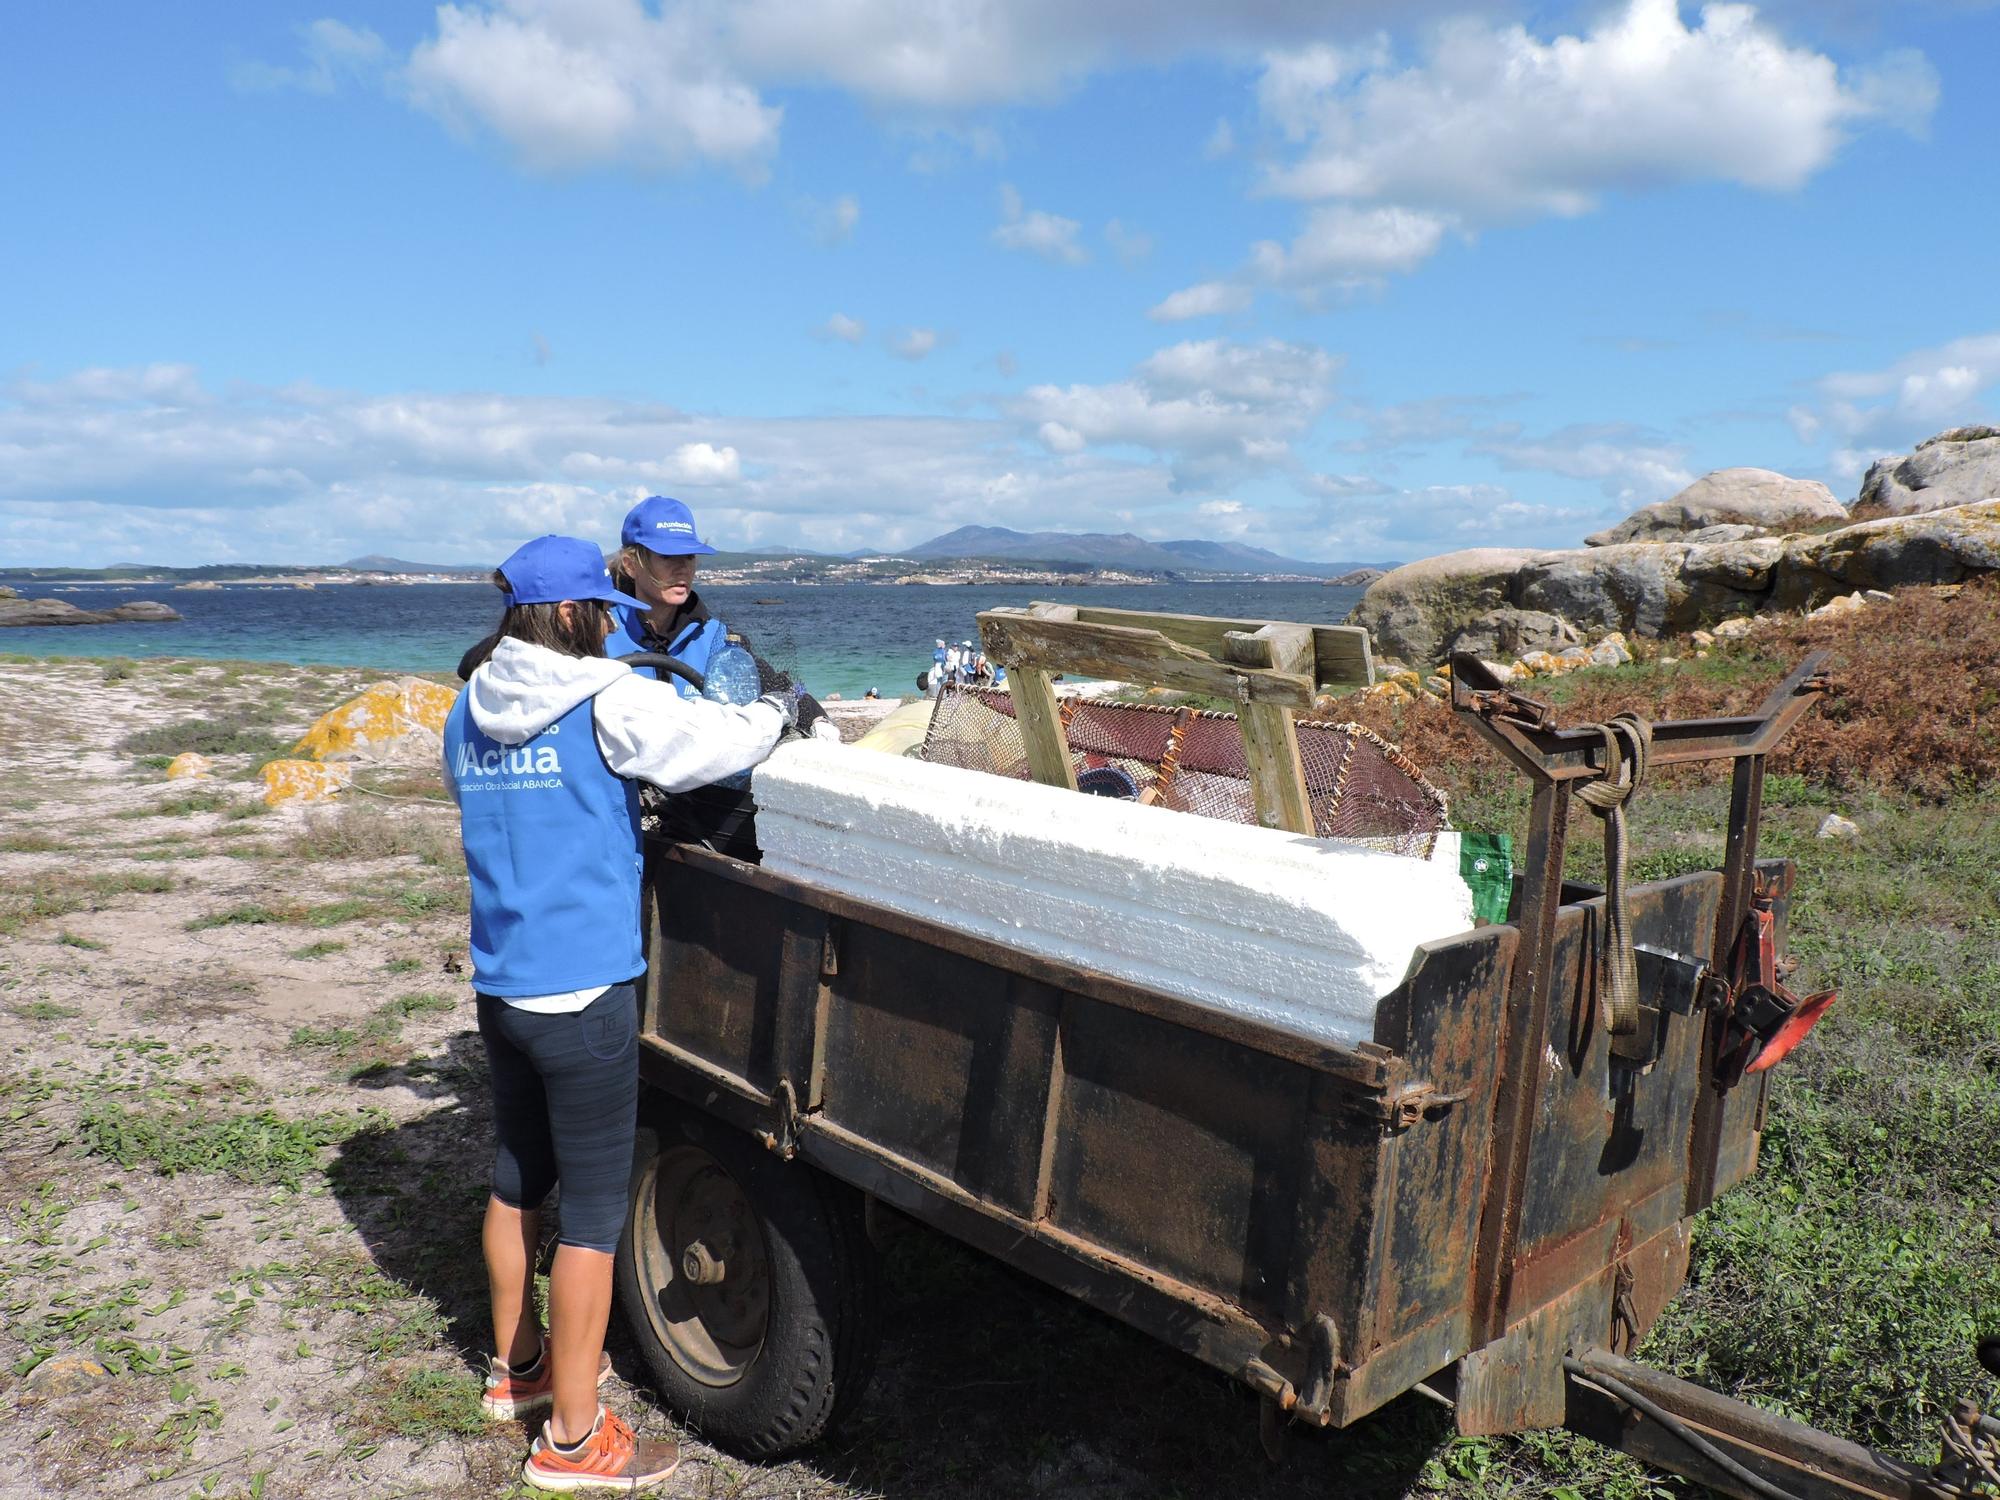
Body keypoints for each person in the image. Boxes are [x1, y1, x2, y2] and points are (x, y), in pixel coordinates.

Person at [444, 534, 796, 1494]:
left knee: (517, 1177)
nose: (609, 618)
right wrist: (777, 707)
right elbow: (709, 746)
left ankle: (514, 1372)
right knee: (595, 1219)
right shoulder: (605, 697)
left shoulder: (464, 709)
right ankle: (572, 1438)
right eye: (597, 606)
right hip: (586, 992)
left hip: (503, 985)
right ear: (567, 615)